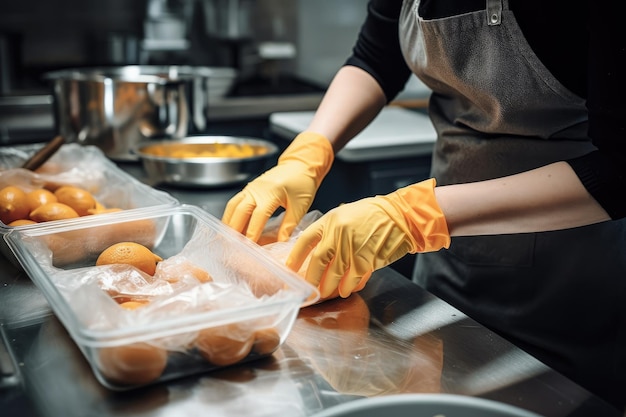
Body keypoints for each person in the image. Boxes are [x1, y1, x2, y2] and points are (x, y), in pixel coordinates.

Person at [222, 0, 625, 411]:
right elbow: (376, 57)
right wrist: (309, 152)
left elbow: (620, 170)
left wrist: (414, 217)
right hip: (449, 256)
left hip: (570, 279)